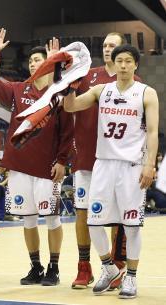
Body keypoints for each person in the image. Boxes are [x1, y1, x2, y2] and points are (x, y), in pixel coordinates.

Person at [63, 44, 159, 299]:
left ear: (136, 65)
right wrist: (69, 82)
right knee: (93, 222)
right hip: (103, 164)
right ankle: (108, 268)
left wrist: (150, 164)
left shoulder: (146, 93)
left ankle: (132, 277)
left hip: (132, 167)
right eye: (120, 61)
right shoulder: (100, 90)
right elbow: (70, 107)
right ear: (114, 65)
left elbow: (151, 132)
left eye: (129, 61)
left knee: (132, 226)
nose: (124, 65)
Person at [0, 28, 73, 286]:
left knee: (53, 218)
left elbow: (67, 131)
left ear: (48, 63)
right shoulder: (17, 89)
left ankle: (54, 268)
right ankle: (36, 266)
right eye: (32, 61)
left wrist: (61, 160)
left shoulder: (59, 92)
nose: (35, 63)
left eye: (40, 59)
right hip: (20, 166)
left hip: (47, 167)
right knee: (29, 220)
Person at [71, 32, 141, 289]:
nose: (108, 48)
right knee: (83, 213)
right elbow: (68, 106)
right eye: (105, 45)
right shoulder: (87, 76)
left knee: (119, 216)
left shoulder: (134, 82)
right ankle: (84, 266)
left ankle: (118, 266)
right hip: (86, 157)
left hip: (119, 160)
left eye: (113, 45)